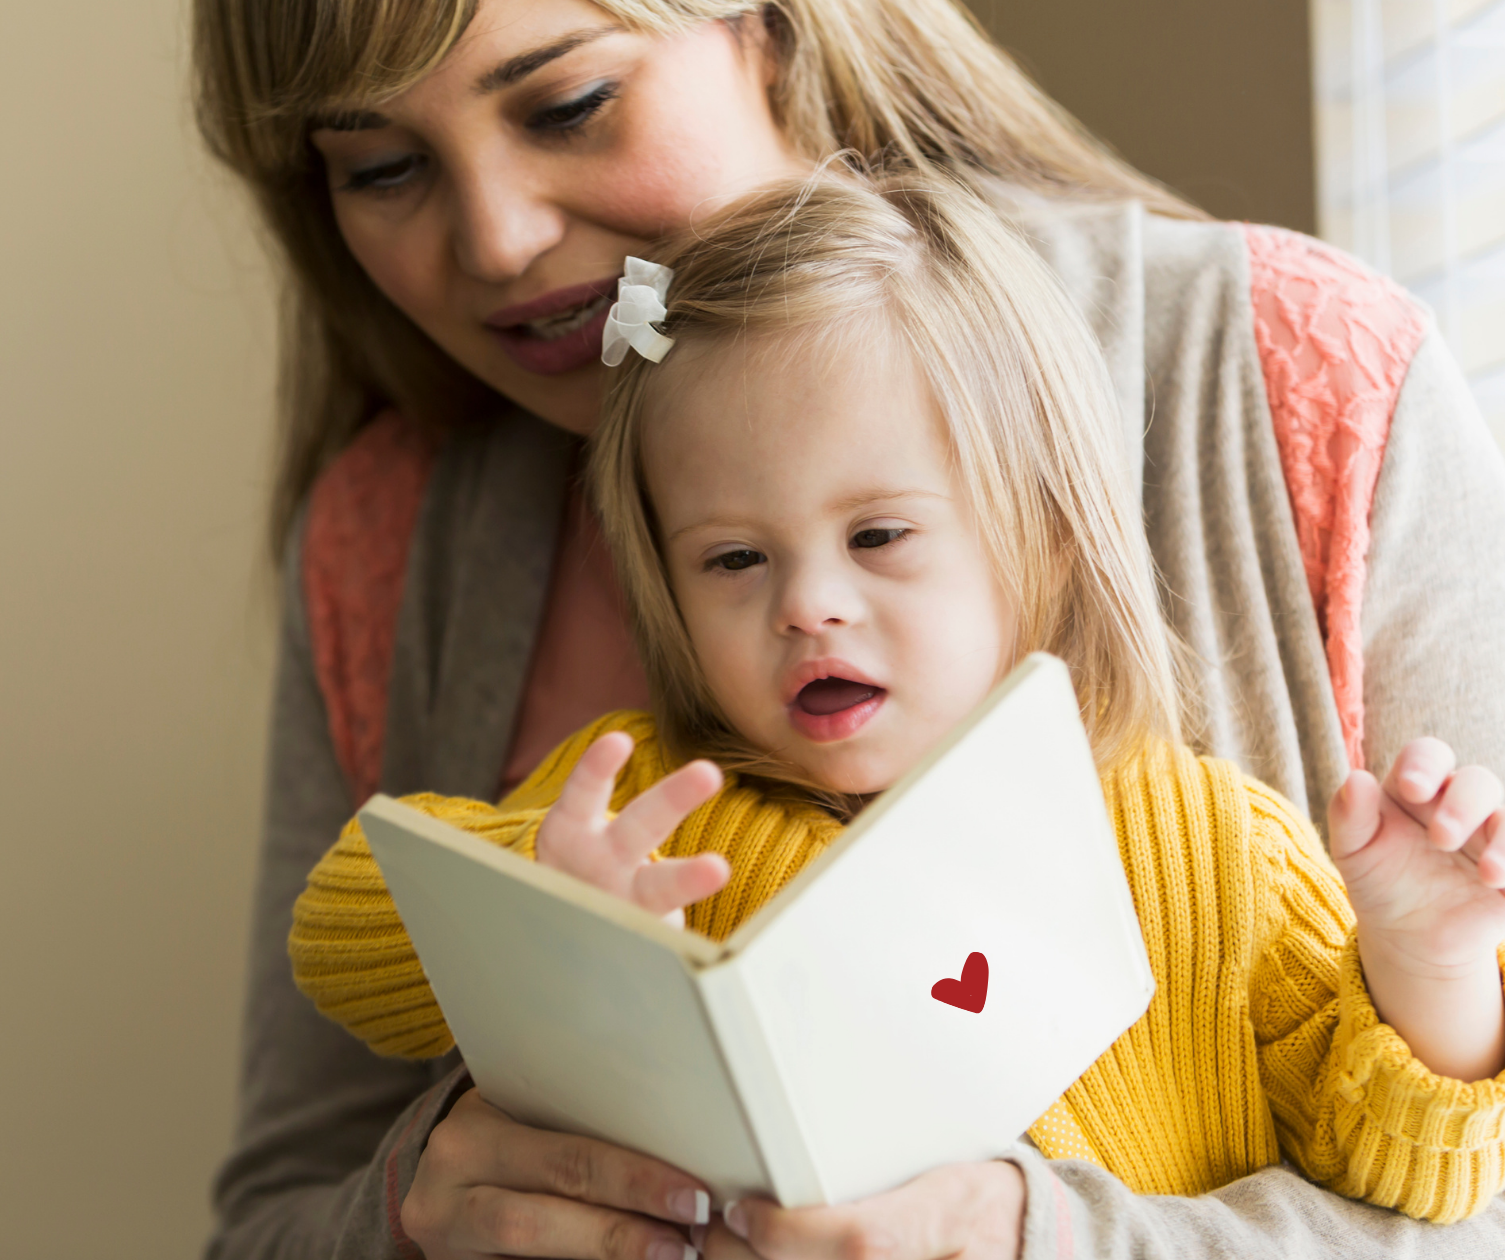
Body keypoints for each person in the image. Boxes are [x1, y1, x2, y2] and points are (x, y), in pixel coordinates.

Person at [191, 0, 1505, 1256]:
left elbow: (1443, 1170)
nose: (496, 238)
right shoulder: (561, 707)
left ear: (768, 24)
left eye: (572, 103)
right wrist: (422, 1193)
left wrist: (1052, 1235)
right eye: (379, 167)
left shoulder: (1288, 421)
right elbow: (274, 1200)